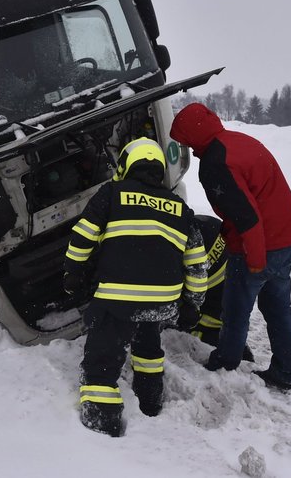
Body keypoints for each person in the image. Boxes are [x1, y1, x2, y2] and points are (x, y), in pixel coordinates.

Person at [63, 137, 208, 436]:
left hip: (117, 297)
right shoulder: (180, 208)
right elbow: (197, 262)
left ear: (126, 165)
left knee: (102, 358)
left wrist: (73, 273)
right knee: (148, 344)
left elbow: (84, 235)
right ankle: (151, 402)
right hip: (162, 301)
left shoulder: (112, 192)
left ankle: (103, 425)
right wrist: (193, 305)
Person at [170, 103, 291, 391]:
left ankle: (225, 362)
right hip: (286, 239)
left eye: (184, 139)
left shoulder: (216, 163)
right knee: (278, 310)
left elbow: (247, 217)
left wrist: (255, 259)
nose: (185, 146)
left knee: (235, 311)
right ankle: (285, 371)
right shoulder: (241, 141)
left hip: (258, 245)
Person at [174, 214, 255, 363]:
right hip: (226, 260)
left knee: (195, 324)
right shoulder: (187, 225)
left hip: (218, 282)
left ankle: (232, 356)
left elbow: (192, 281)